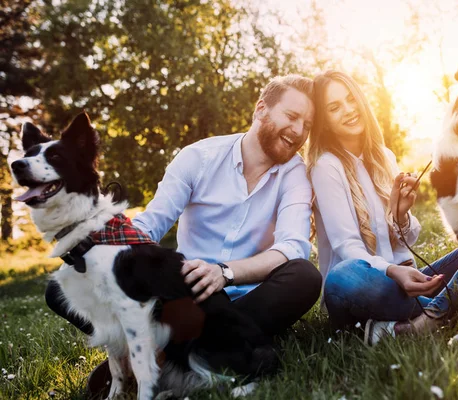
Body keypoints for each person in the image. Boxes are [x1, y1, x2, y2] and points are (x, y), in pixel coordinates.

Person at [45, 74, 322, 393]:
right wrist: (96, 247)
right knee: (62, 285)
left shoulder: (295, 175)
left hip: (252, 300)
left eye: (308, 125)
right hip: (187, 301)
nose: (299, 131)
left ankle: (167, 355)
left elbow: (292, 247)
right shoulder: (198, 157)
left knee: (304, 276)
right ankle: (202, 355)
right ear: (261, 109)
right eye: (291, 116)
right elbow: (150, 225)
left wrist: (225, 273)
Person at [305, 70, 458, 346]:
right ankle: (453, 302)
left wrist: (401, 214)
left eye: (351, 99)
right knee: (344, 274)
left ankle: (421, 321)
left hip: (402, 281)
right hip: (361, 286)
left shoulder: (384, 157)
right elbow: (347, 246)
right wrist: (393, 272)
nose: (349, 110)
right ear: (325, 122)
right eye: (334, 107)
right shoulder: (326, 166)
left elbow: (405, 241)